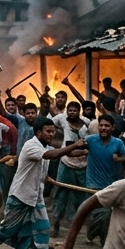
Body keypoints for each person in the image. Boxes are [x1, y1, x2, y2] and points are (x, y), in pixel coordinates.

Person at [0, 117, 84, 249]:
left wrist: (84, 150)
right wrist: (74, 144)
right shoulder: (31, 146)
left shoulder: (45, 147)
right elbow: (52, 155)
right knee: (8, 228)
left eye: (53, 131)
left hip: (36, 197)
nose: (51, 134)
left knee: (42, 229)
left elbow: (48, 162)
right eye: (48, 131)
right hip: (20, 195)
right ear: (38, 132)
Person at [50, 101, 92, 236]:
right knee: (60, 195)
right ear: (67, 111)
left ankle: (86, 230)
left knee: (83, 198)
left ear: (79, 111)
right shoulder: (61, 119)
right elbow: (49, 124)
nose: (72, 113)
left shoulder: (87, 123)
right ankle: (55, 226)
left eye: (75, 110)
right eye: (70, 110)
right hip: (66, 163)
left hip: (83, 165)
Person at [85, 114, 125, 192]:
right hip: (92, 185)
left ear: (112, 128)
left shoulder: (118, 142)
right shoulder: (90, 140)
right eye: (101, 125)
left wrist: (119, 159)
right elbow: (74, 149)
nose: (103, 128)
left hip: (110, 186)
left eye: (106, 126)